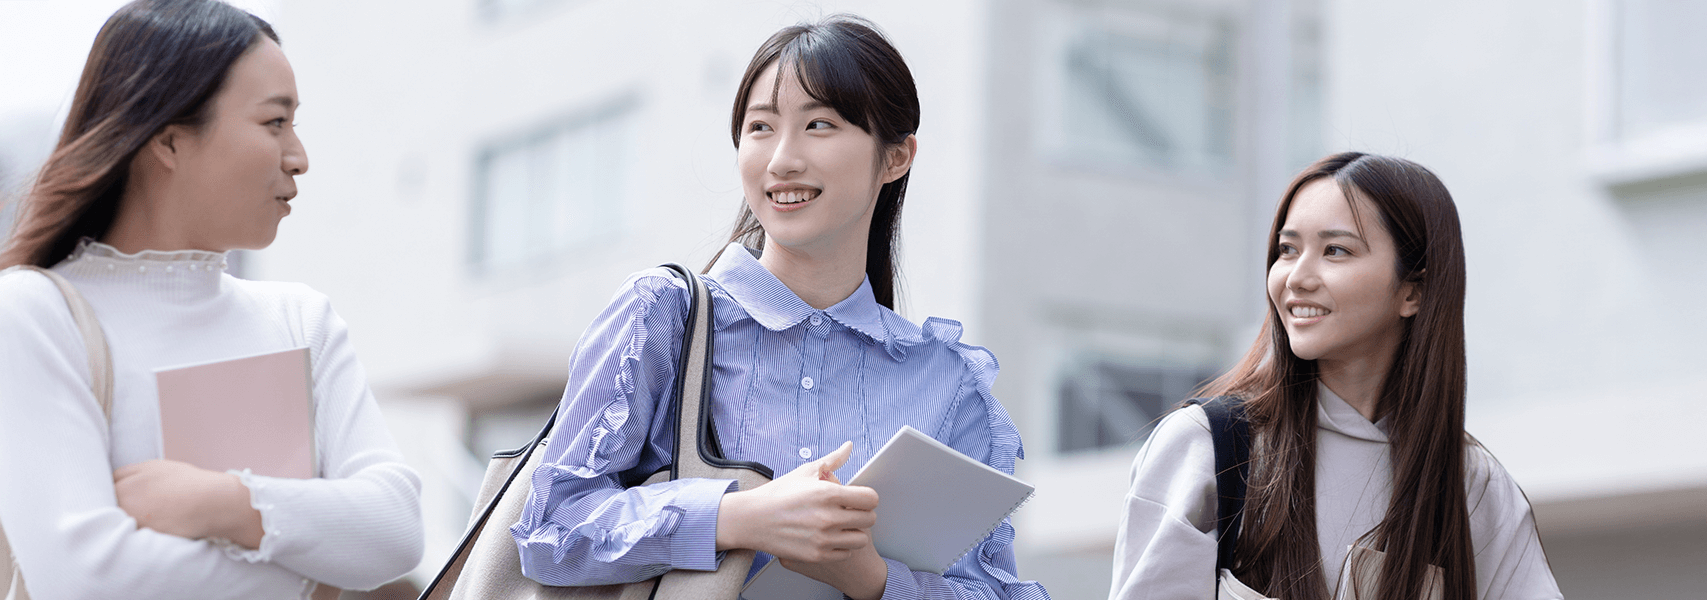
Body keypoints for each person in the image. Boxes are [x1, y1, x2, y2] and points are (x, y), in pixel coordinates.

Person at [510, 15, 1047, 600]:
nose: (782, 159)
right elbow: (549, 526)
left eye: (819, 124)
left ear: (895, 158)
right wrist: (741, 517)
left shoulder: (944, 383)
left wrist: (871, 578)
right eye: (760, 127)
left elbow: (997, 591)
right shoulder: (662, 317)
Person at [0, 1, 423, 598]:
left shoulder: (301, 319)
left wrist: (225, 503)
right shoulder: (36, 313)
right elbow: (86, 577)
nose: (298, 157)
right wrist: (318, 575)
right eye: (275, 122)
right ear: (169, 139)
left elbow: (397, 529)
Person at [1110, 153, 1560, 600]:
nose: (1296, 277)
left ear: (1413, 292)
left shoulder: (1474, 485)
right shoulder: (1207, 448)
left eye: (1335, 251)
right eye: (1287, 250)